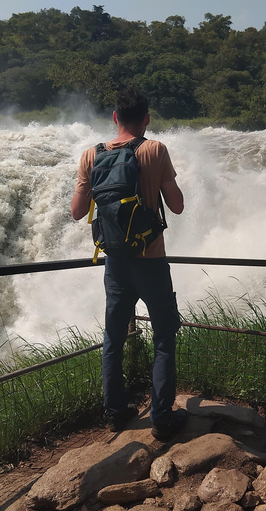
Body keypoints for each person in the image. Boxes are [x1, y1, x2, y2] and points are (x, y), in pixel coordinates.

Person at [71, 87, 187, 440]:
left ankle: (116, 414)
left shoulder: (91, 155)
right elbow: (177, 206)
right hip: (151, 260)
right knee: (164, 336)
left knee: (113, 338)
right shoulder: (155, 150)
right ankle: (162, 418)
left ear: (115, 118)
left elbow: (76, 212)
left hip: (115, 262)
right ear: (147, 119)